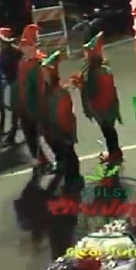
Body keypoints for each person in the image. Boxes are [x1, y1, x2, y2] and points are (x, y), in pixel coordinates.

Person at [74, 33, 123, 163]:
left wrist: (80, 85)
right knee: (110, 131)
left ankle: (114, 153)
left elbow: (91, 91)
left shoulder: (93, 74)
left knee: (108, 132)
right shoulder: (104, 70)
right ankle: (115, 151)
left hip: (102, 109)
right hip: (109, 107)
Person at [9, 24, 51, 168]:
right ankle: (41, 159)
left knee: (48, 134)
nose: (22, 48)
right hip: (24, 105)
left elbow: (44, 86)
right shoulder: (23, 62)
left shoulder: (40, 63)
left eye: (26, 45)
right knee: (30, 134)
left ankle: (56, 161)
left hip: (36, 106)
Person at [41, 50, 81, 191]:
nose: (43, 77)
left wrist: (64, 133)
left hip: (62, 131)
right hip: (53, 131)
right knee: (63, 154)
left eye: (46, 75)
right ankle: (67, 172)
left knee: (69, 154)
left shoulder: (60, 94)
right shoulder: (47, 92)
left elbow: (64, 115)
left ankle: (74, 178)